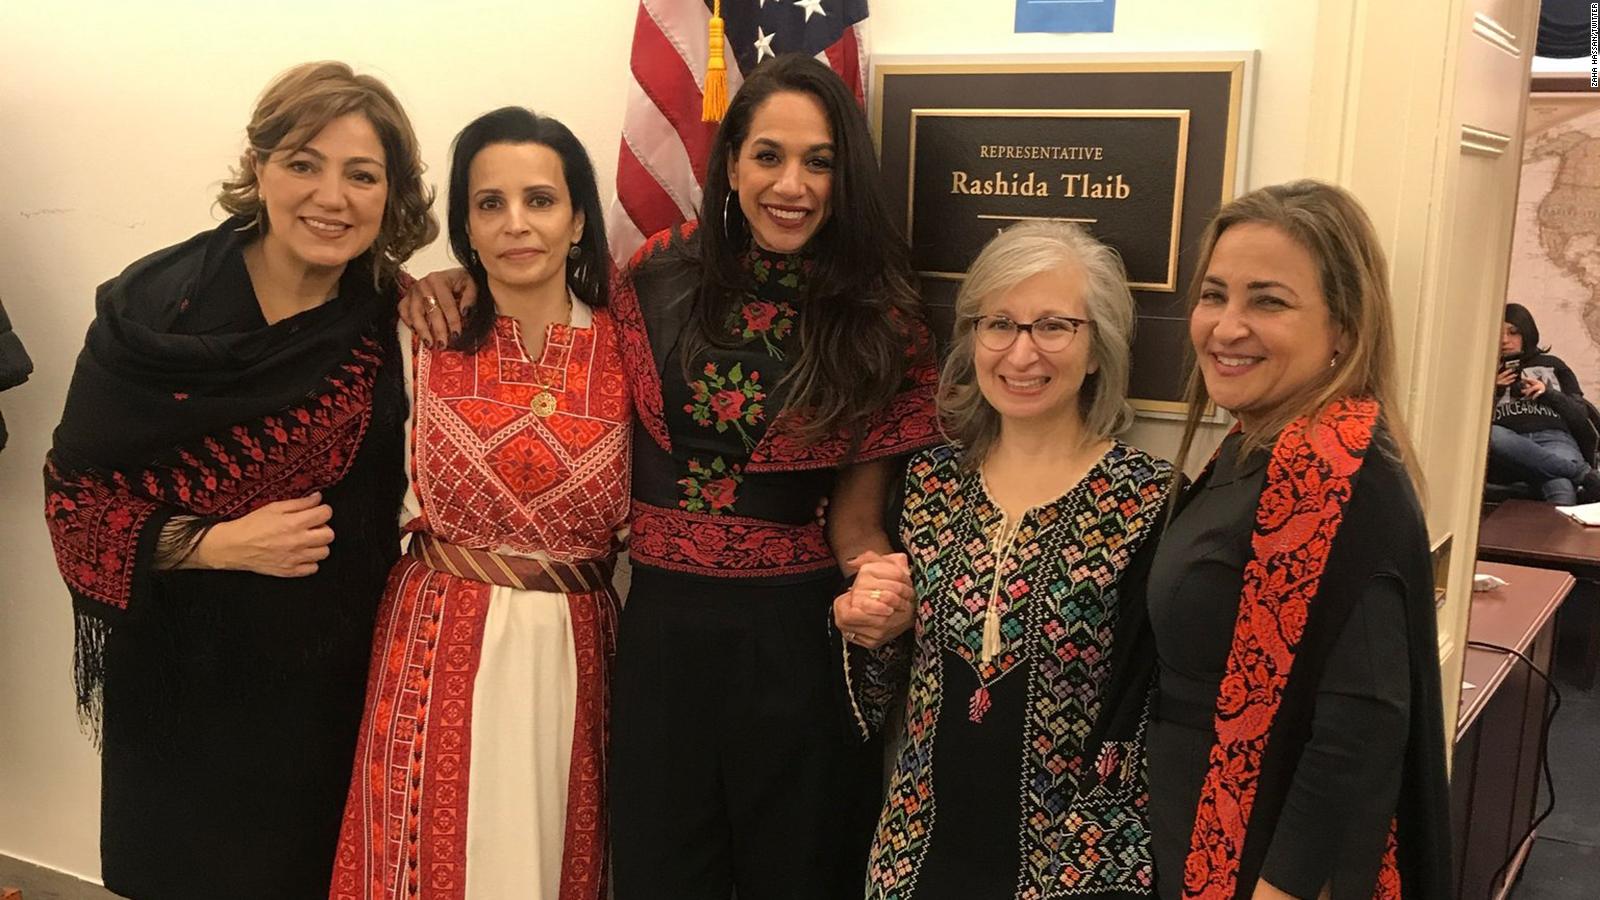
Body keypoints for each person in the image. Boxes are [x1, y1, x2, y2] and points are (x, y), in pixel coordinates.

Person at [405, 53, 939, 900]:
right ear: (731, 164)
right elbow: (538, 295)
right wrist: (450, 277)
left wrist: (879, 586)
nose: (790, 184)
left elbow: (858, 525)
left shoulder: (879, 318)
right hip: (659, 643)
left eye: (819, 161)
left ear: (846, 175)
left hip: (799, 649)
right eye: (768, 156)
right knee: (660, 875)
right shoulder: (655, 278)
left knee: (799, 876)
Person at [43, 62, 437, 900]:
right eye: (304, 162)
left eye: (362, 175)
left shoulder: (395, 319)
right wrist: (215, 544)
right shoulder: (151, 314)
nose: (330, 196)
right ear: (258, 168)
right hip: (182, 689)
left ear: (391, 195)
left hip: (334, 693)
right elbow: (75, 501)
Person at [1113, 180, 1450, 899]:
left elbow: (1360, 728)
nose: (1226, 327)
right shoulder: (1256, 446)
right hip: (1196, 832)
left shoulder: (1332, 473)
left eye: (1268, 301)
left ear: (1345, 331)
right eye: (1215, 295)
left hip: (1258, 866)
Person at [330, 107, 628, 900]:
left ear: (578, 219)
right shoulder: (416, 332)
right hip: (435, 640)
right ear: (464, 223)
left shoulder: (632, 348)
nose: (515, 224)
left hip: (575, 650)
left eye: (540, 200)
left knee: (548, 855)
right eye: (489, 203)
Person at [850, 221, 1172, 899]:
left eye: (1053, 326)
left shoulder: (1151, 503)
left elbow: (1152, 715)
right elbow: (887, 688)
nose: (1022, 353)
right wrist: (869, 628)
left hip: (1072, 872)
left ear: (1097, 349)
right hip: (915, 858)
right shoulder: (926, 484)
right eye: (999, 324)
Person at [1485, 302, 1600, 504]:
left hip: (1554, 438)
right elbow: (1468, 428)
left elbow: (1581, 417)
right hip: (1509, 444)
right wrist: (1493, 390)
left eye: (1513, 332)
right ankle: (1583, 473)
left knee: (1561, 484)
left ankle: (1560, 536)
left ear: (1527, 333)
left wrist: (1548, 393)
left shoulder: (1553, 365)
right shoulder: (1482, 368)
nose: (1504, 340)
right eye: (1499, 333)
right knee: (1491, 434)